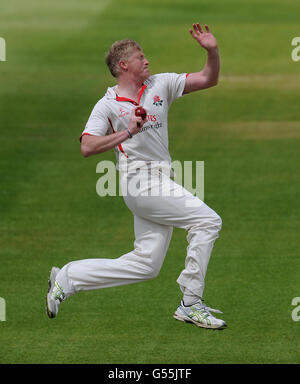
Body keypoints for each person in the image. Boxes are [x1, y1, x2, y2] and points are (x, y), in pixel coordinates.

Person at [46, 23, 226, 329]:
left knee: (146, 265)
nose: (147, 61)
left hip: (161, 182)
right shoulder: (107, 106)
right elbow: (87, 147)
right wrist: (128, 131)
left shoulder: (161, 84)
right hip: (141, 184)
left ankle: (68, 277)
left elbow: (209, 78)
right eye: (141, 56)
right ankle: (191, 302)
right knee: (208, 221)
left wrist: (211, 50)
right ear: (123, 65)